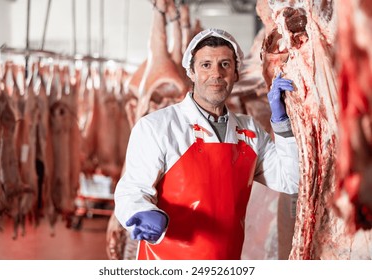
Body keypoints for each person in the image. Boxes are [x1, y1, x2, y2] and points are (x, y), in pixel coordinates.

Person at [114, 28, 299, 260]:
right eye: (206, 65)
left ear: (236, 73)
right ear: (191, 72)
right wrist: (143, 212)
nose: (216, 74)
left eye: (224, 65)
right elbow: (131, 191)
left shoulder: (250, 131)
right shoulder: (157, 126)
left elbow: (290, 180)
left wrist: (282, 123)